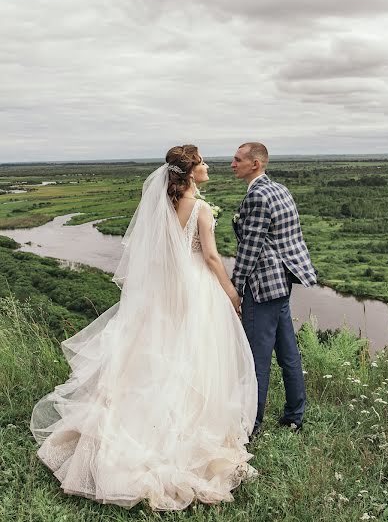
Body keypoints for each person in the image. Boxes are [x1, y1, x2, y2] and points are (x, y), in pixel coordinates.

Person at [30, 145, 257, 511]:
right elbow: (212, 257)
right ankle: (187, 434)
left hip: (166, 291)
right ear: (189, 172)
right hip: (197, 288)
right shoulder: (198, 207)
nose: (209, 167)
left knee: (162, 354)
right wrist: (231, 292)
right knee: (197, 355)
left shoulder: (163, 205)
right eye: (202, 163)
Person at [231, 142, 316, 436]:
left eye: (238, 159)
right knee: (288, 351)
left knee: (258, 358)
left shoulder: (256, 196)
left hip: (262, 285)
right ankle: (295, 415)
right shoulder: (280, 189)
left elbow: (250, 249)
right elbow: (290, 238)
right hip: (282, 281)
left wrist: (235, 287)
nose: (232, 164)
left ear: (255, 164)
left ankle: (251, 424)